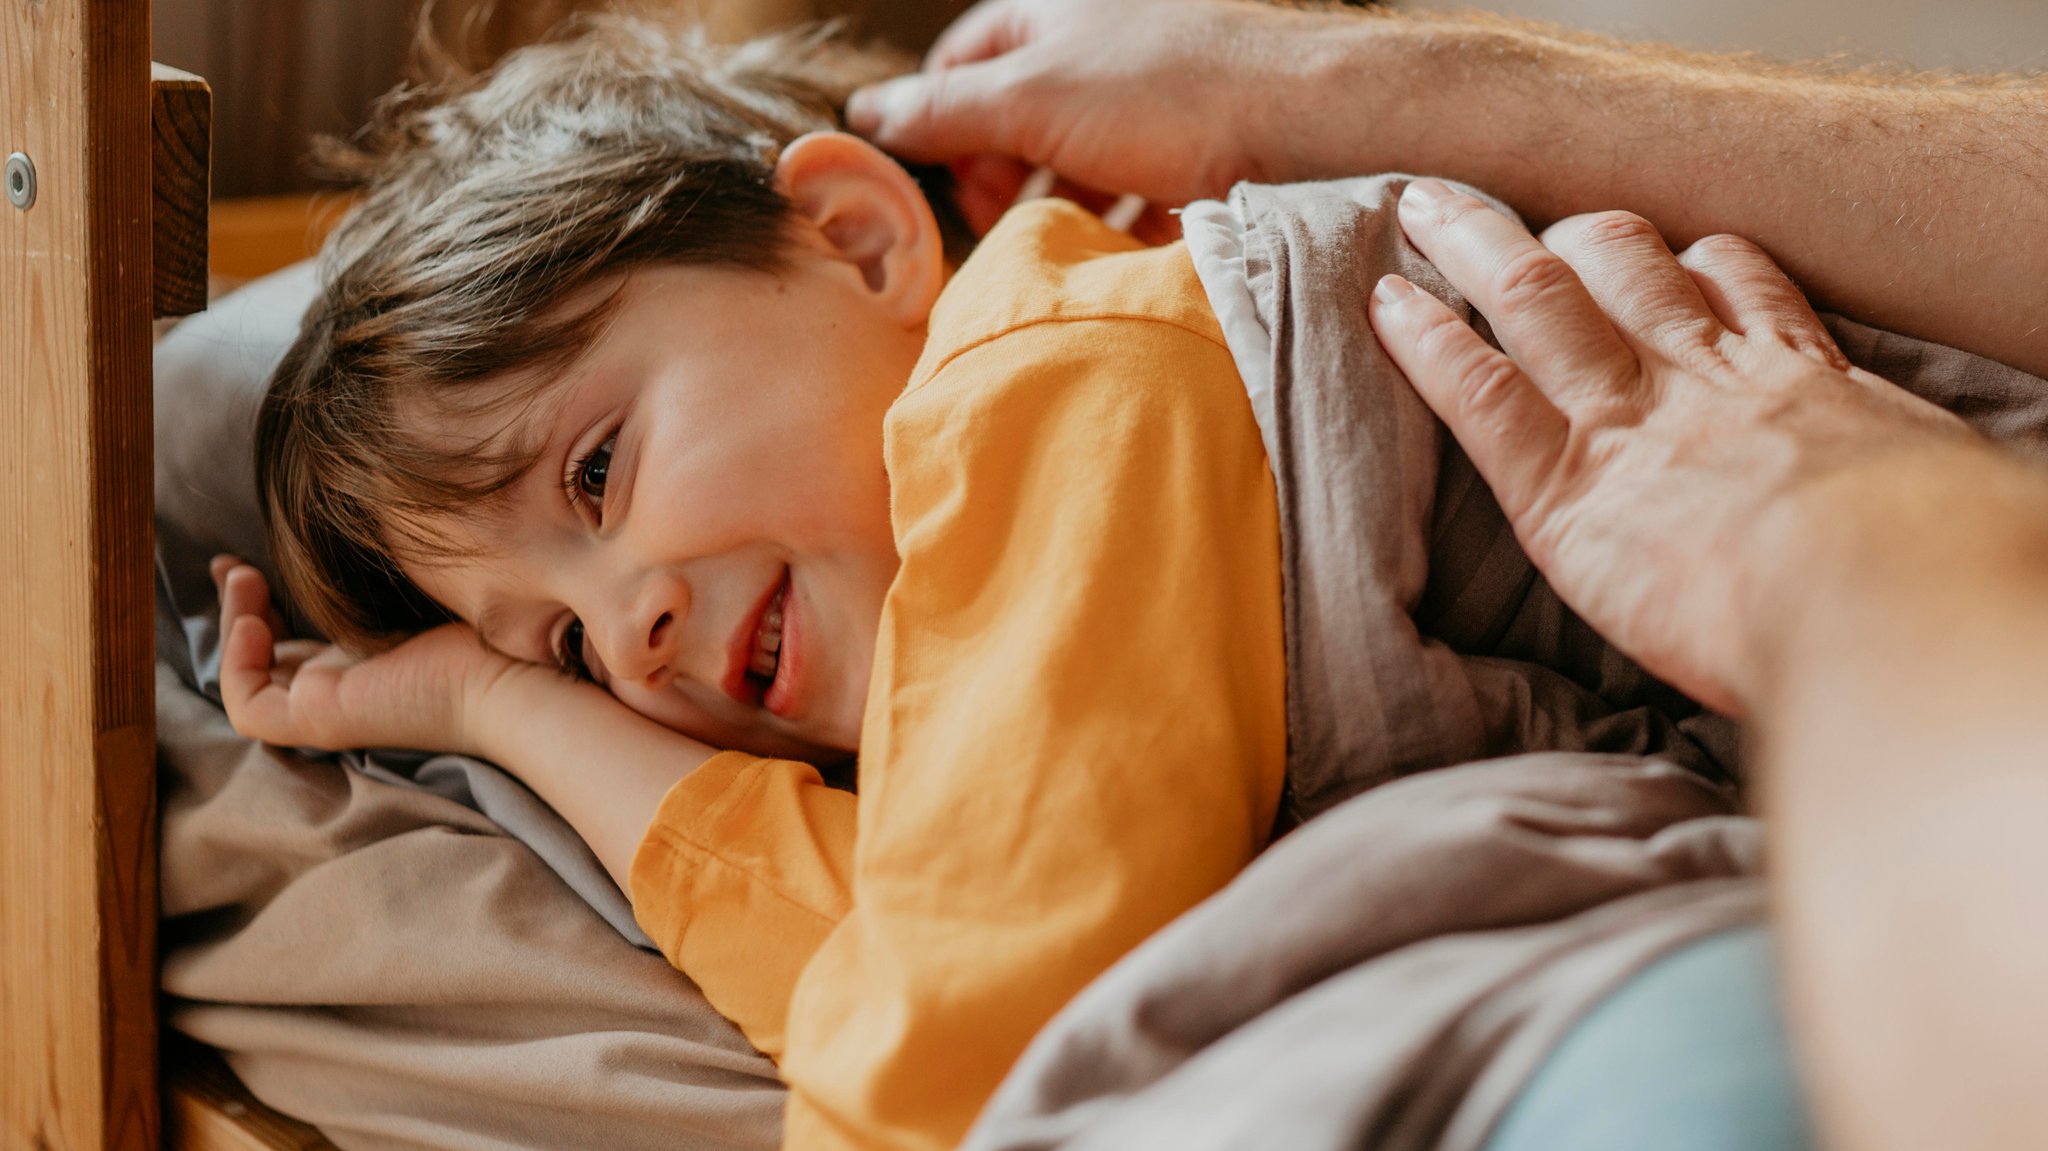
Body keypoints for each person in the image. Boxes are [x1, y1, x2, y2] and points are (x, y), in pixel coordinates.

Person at [845, 1, 2048, 1148]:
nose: (650, 639)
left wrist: (1828, 526)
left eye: (640, 444)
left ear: (857, 237)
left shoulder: (1062, 382)